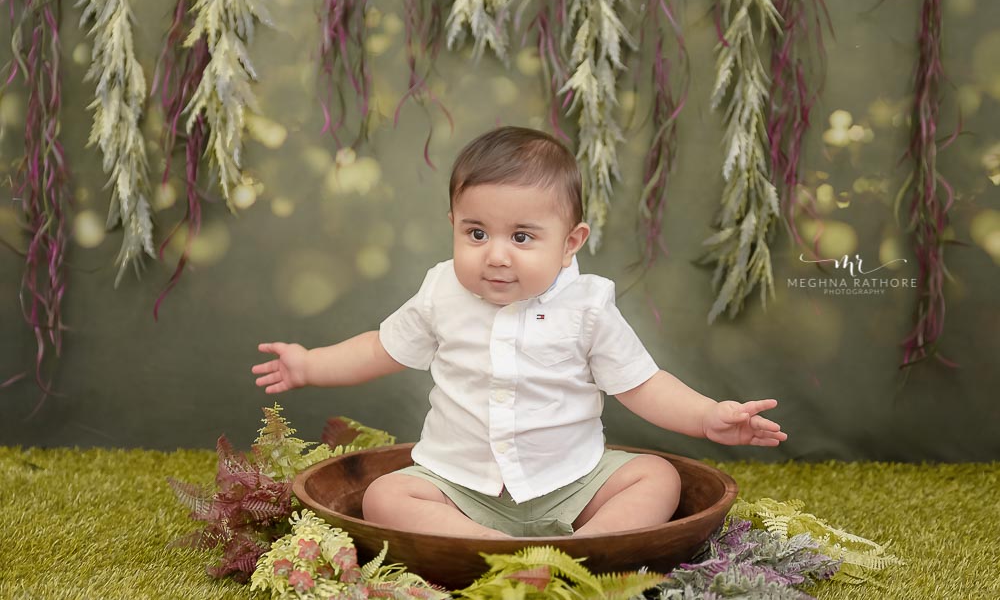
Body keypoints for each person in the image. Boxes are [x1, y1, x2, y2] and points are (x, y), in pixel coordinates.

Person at [252, 126, 787, 539]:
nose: (497, 256)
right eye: (477, 232)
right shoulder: (443, 291)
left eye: (523, 237)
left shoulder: (588, 307)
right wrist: (310, 364)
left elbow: (641, 383)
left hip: (571, 484)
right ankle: (485, 544)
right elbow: (381, 347)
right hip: (459, 485)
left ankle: (588, 547)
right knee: (387, 498)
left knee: (655, 478)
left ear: (570, 241)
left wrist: (706, 416)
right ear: (454, 224)